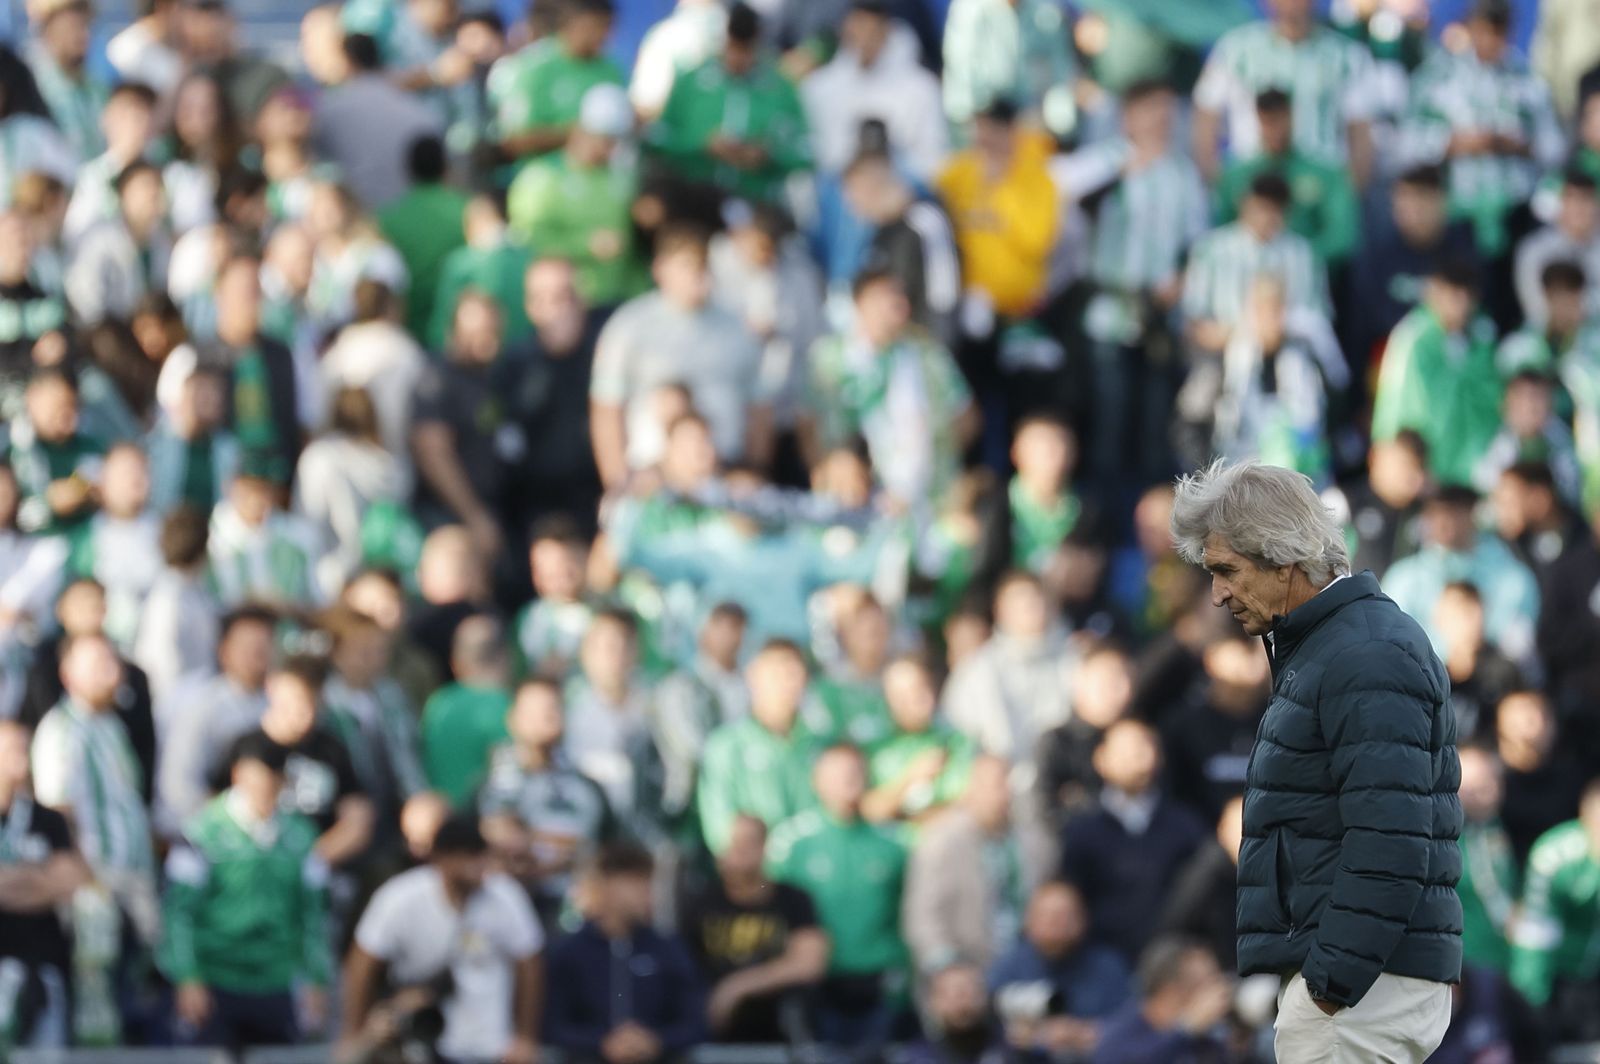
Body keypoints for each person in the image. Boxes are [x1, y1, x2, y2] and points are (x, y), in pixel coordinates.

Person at [1171, 459, 1461, 1063]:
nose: (1218, 593)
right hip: (1359, 983)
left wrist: (1329, 984)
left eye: (1226, 570)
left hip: (1360, 992)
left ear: (1282, 556)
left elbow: (1391, 841)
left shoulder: (1365, 654)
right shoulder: (1338, 646)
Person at [160, 732, 332, 1050]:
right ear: (238, 774)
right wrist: (187, 977)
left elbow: (314, 914)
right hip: (215, 979)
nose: (264, 789)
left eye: (273, 780)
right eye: (257, 779)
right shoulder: (201, 833)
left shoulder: (301, 837)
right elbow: (178, 912)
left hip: (278, 980)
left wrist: (316, 979)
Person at [343, 815, 544, 1064]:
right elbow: (363, 962)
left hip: (487, 1042)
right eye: (468, 855)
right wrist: (355, 1032)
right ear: (444, 857)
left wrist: (525, 1037)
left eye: (482, 854)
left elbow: (529, 966)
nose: (479, 865)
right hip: (417, 1037)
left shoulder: (504, 896)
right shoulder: (402, 897)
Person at [589, 224, 767, 486]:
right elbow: (606, 411)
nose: (698, 274)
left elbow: (760, 409)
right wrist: (617, 483)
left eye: (703, 265)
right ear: (660, 268)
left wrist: (754, 472)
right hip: (651, 477)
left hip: (725, 472)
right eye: (688, 264)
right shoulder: (629, 326)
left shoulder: (737, 329)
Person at [766, 744, 908, 1047]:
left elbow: (906, 914)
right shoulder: (793, 843)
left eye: (854, 772)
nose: (847, 781)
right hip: (816, 984)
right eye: (836, 774)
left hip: (878, 983)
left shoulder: (893, 844)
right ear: (817, 780)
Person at [1400, 0, 1563, 259]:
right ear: (1471, 27)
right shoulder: (1439, 76)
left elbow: (1555, 149)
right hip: (1456, 211)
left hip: (1516, 211)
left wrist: (1518, 146)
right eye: (1484, 30)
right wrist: (1458, 144)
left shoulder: (1528, 80)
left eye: (1498, 32)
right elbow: (1407, 146)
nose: (1490, 40)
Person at [801, 268, 978, 506]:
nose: (898, 304)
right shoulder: (828, 358)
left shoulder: (927, 354)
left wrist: (933, 460)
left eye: (901, 296)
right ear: (861, 302)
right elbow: (806, 422)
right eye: (887, 296)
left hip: (925, 500)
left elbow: (966, 417)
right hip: (850, 498)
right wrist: (825, 469)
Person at [1057, 721, 1206, 964]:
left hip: (1172, 960)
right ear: (1101, 759)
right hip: (1098, 963)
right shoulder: (1081, 831)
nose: (1137, 759)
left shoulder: (1185, 827)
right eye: (1126, 751)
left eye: (1144, 748)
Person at [543, 842, 707, 1062]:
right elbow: (552, 1026)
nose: (648, 894)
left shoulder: (668, 948)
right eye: (638, 883)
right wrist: (602, 1042)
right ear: (608, 885)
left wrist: (655, 1040)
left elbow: (696, 1024)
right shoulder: (569, 951)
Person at [678, 813, 830, 1043]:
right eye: (733, 843)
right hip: (715, 1032)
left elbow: (810, 963)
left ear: (765, 847)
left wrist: (736, 987)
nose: (739, 851)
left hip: (780, 1031)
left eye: (748, 842)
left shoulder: (792, 899)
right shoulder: (700, 903)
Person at [1192, 0, 1376, 184]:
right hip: (1254, 186)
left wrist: (1348, 191)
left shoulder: (1347, 57)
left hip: (1320, 187)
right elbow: (1206, 115)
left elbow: (1361, 130)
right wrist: (1217, 183)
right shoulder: (1235, 49)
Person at [647, 2, 811, 203]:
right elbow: (657, 139)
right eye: (734, 47)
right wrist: (701, 144)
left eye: (746, 49)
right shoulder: (692, 81)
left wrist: (768, 155)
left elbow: (805, 151)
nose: (739, 57)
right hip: (695, 195)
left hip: (756, 201)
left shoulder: (780, 89)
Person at [903, 754, 1048, 976]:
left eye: (1008, 783)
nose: (1005, 793)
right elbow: (923, 918)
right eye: (995, 785)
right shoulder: (942, 841)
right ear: (971, 789)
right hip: (964, 968)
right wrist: (947, 967)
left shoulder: (1033, 839)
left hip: (1028, 964)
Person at [507, 83, 643, 310]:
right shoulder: (540, 178)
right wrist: (585, 244)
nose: (608, 149)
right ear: (580, 129)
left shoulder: (623, 177)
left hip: (620, 303)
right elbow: (527, 240)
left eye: (614, 141)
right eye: (603, 139)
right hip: (566, 307)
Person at [1370, 259, 1504, 489]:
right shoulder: (1412, 339)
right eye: (1452, 295)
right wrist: (1408, 463)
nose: (1460, 305)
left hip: (1477, 469)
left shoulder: (1484, 338)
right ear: (1434, 294)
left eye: (1466, 296)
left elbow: (1493, 399)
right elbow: (1396, 405)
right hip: (1424, 470)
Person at [0, 717, 90, 1050]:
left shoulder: (48, 819)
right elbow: (52, 880)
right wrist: (38, 877)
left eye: (24, 748)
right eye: (10, 749)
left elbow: (71, 880)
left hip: (44, 961)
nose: (20, 757)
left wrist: (8, 880)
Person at [1383, 485, 1540, 667]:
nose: (1444, 521)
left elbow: (1517, 639)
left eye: (1454, 512)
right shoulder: (1403, 577)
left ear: (1473, 515)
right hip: (1421, 678)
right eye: (1434, 513)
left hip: (1491, 676)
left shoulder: (1510, 574)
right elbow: (1391, 638)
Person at [410, 292, 516, 562]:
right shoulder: (439, 377)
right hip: (449, 517)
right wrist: (474, 516)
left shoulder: (491, 376)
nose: (488, 341)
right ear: (456, 332)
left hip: (495, 510)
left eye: (494, 332)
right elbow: (432, 451)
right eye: (478, 333)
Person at [936, 98, 1058, 323]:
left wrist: (1002, 187)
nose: (984, 140)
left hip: (1017, 307)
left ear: (1011, 131)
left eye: (992, 130)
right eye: (980, 131)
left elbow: (1036, 242)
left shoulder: (1037, 178)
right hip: (963, 301)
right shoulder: (960, 172)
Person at [1181, 173, 1327, 357]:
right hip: (1222, 354)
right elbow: (1194, 318)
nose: (1268, 217)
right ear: (1245, 203)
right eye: (1262, 207)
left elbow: (1317, 316)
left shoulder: (1303, 254)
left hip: (1290, 351)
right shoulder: (1211, 250)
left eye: (1275, 209)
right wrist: (1234, 334)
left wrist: (1277, 328)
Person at [157, 604, 274, 831]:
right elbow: (179, 787)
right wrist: (228, 824)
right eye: (245, 647)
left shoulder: (280, 703)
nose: (255, 655)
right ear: (224, 651)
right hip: (205, 832)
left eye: (263, 646)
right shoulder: (202, 705)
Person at [696, 639, 818, 855]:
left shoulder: (821, 745)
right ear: (752, 676)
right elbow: (720, 830)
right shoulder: (726, 745)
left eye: (794, 673)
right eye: (776, 673)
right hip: (755, 878)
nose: (787, 683)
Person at [801, 0, 945, 183]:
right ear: (846, 29)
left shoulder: (922, 88)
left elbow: (933, 159)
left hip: (898, 190)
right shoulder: (819, 87)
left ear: (887, 32)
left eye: (872, 32)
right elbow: (815, 155)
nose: (864, 40)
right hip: (836, 192)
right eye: (858, 29)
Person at [988, 880, 1132, 1060]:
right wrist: (1037, 1035)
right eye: (1048, 916)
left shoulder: (1107, 967)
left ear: (1083, 919)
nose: (1056, 923)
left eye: (1065, 915)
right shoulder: (1010, 966)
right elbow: (988, 1022)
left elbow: (1130, 1024)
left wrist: (1080, 1032)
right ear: (1029, 920)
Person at [1214, 89, 1359, 267]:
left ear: (1292, 116)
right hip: (1247, 277)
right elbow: (1222, 231)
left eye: (1281, 118)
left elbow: (1341, 236)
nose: (1276, 129)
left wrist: (1293, 259)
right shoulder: (1236, 176)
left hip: (1312, 276)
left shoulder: (1327, 174)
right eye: (1268, 120)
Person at [841, 147, 961, 345]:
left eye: (854, 196)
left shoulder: (925, 221)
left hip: (923, 346)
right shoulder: (880, 233)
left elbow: (944, 297)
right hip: (893, 346)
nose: (852, 207)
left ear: (870, 188)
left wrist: (932, 351)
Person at [312, 32, 442, 210]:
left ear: (347, 62)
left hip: (363, 216)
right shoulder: (419, 111)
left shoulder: (330, 110)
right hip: (413, 212)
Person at [489, 0, 624, 162]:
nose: (602, 35)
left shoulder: (611, 70)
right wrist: (570, 134)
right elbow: (511, 141)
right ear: (570, 23)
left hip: (602, 180)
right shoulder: (532, 68)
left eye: (608, 27)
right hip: (541, 177)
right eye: (595, 26)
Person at [1161, 635, 1269, 821]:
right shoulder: (1183, 724)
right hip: (1201, 838)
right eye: (1242, 651)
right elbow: (1173, 796)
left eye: (1252, 652)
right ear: (1211, 659)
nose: (1249, 662)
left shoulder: (1283, 719)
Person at [376, 135, 469, 341]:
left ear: (409, 170)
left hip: (409, 332)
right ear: (446, 166)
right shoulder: (467, 211)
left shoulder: (388, 219)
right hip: (456, 331)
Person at [1088, 937, 1233, 1064]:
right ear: (1169, 991)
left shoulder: (1207, 1040)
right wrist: (1185, 1029)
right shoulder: (1119, 1035)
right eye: (1204, 984)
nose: (1217, 993)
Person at [420, 612, 511, 808]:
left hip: (442, 820)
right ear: (505, 656)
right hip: (485, 821)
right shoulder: (507, 707)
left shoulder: (438, 702)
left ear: (456, 661)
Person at [65, 160, 172, 326]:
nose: (152, 195)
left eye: (157, 187)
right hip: (107, 333)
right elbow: (87, 304)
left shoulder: (162, 244)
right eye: (144, 187)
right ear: (123, 195)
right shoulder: (99, 241)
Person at [1159, 797, 1245, 972]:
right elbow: (1176, 924)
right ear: (1222, 830)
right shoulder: (1206, 872)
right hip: (1215, 970)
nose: (1247, 840)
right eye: (1241, 831)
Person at [1457, 743, 1518, 974]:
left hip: (1501, 959)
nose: (1491, 792)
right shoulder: (1440, 839)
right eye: (1478, 786)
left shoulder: (1494, 827)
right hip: (1462, 964)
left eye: (1494, 782)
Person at [1513, 170, 1600, 328]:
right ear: (1561, 203)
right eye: (1573, 199)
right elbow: (1535, 307)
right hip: (1548, 335)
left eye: (1586, 199)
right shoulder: (1535, 249)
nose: (1580, 209)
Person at [904, 961, 1007, 1064]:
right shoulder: (919, 1056)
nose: (963, 1002)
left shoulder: (1007, 1048)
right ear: (933, 1001)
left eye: (971, 991)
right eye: (955, 994)